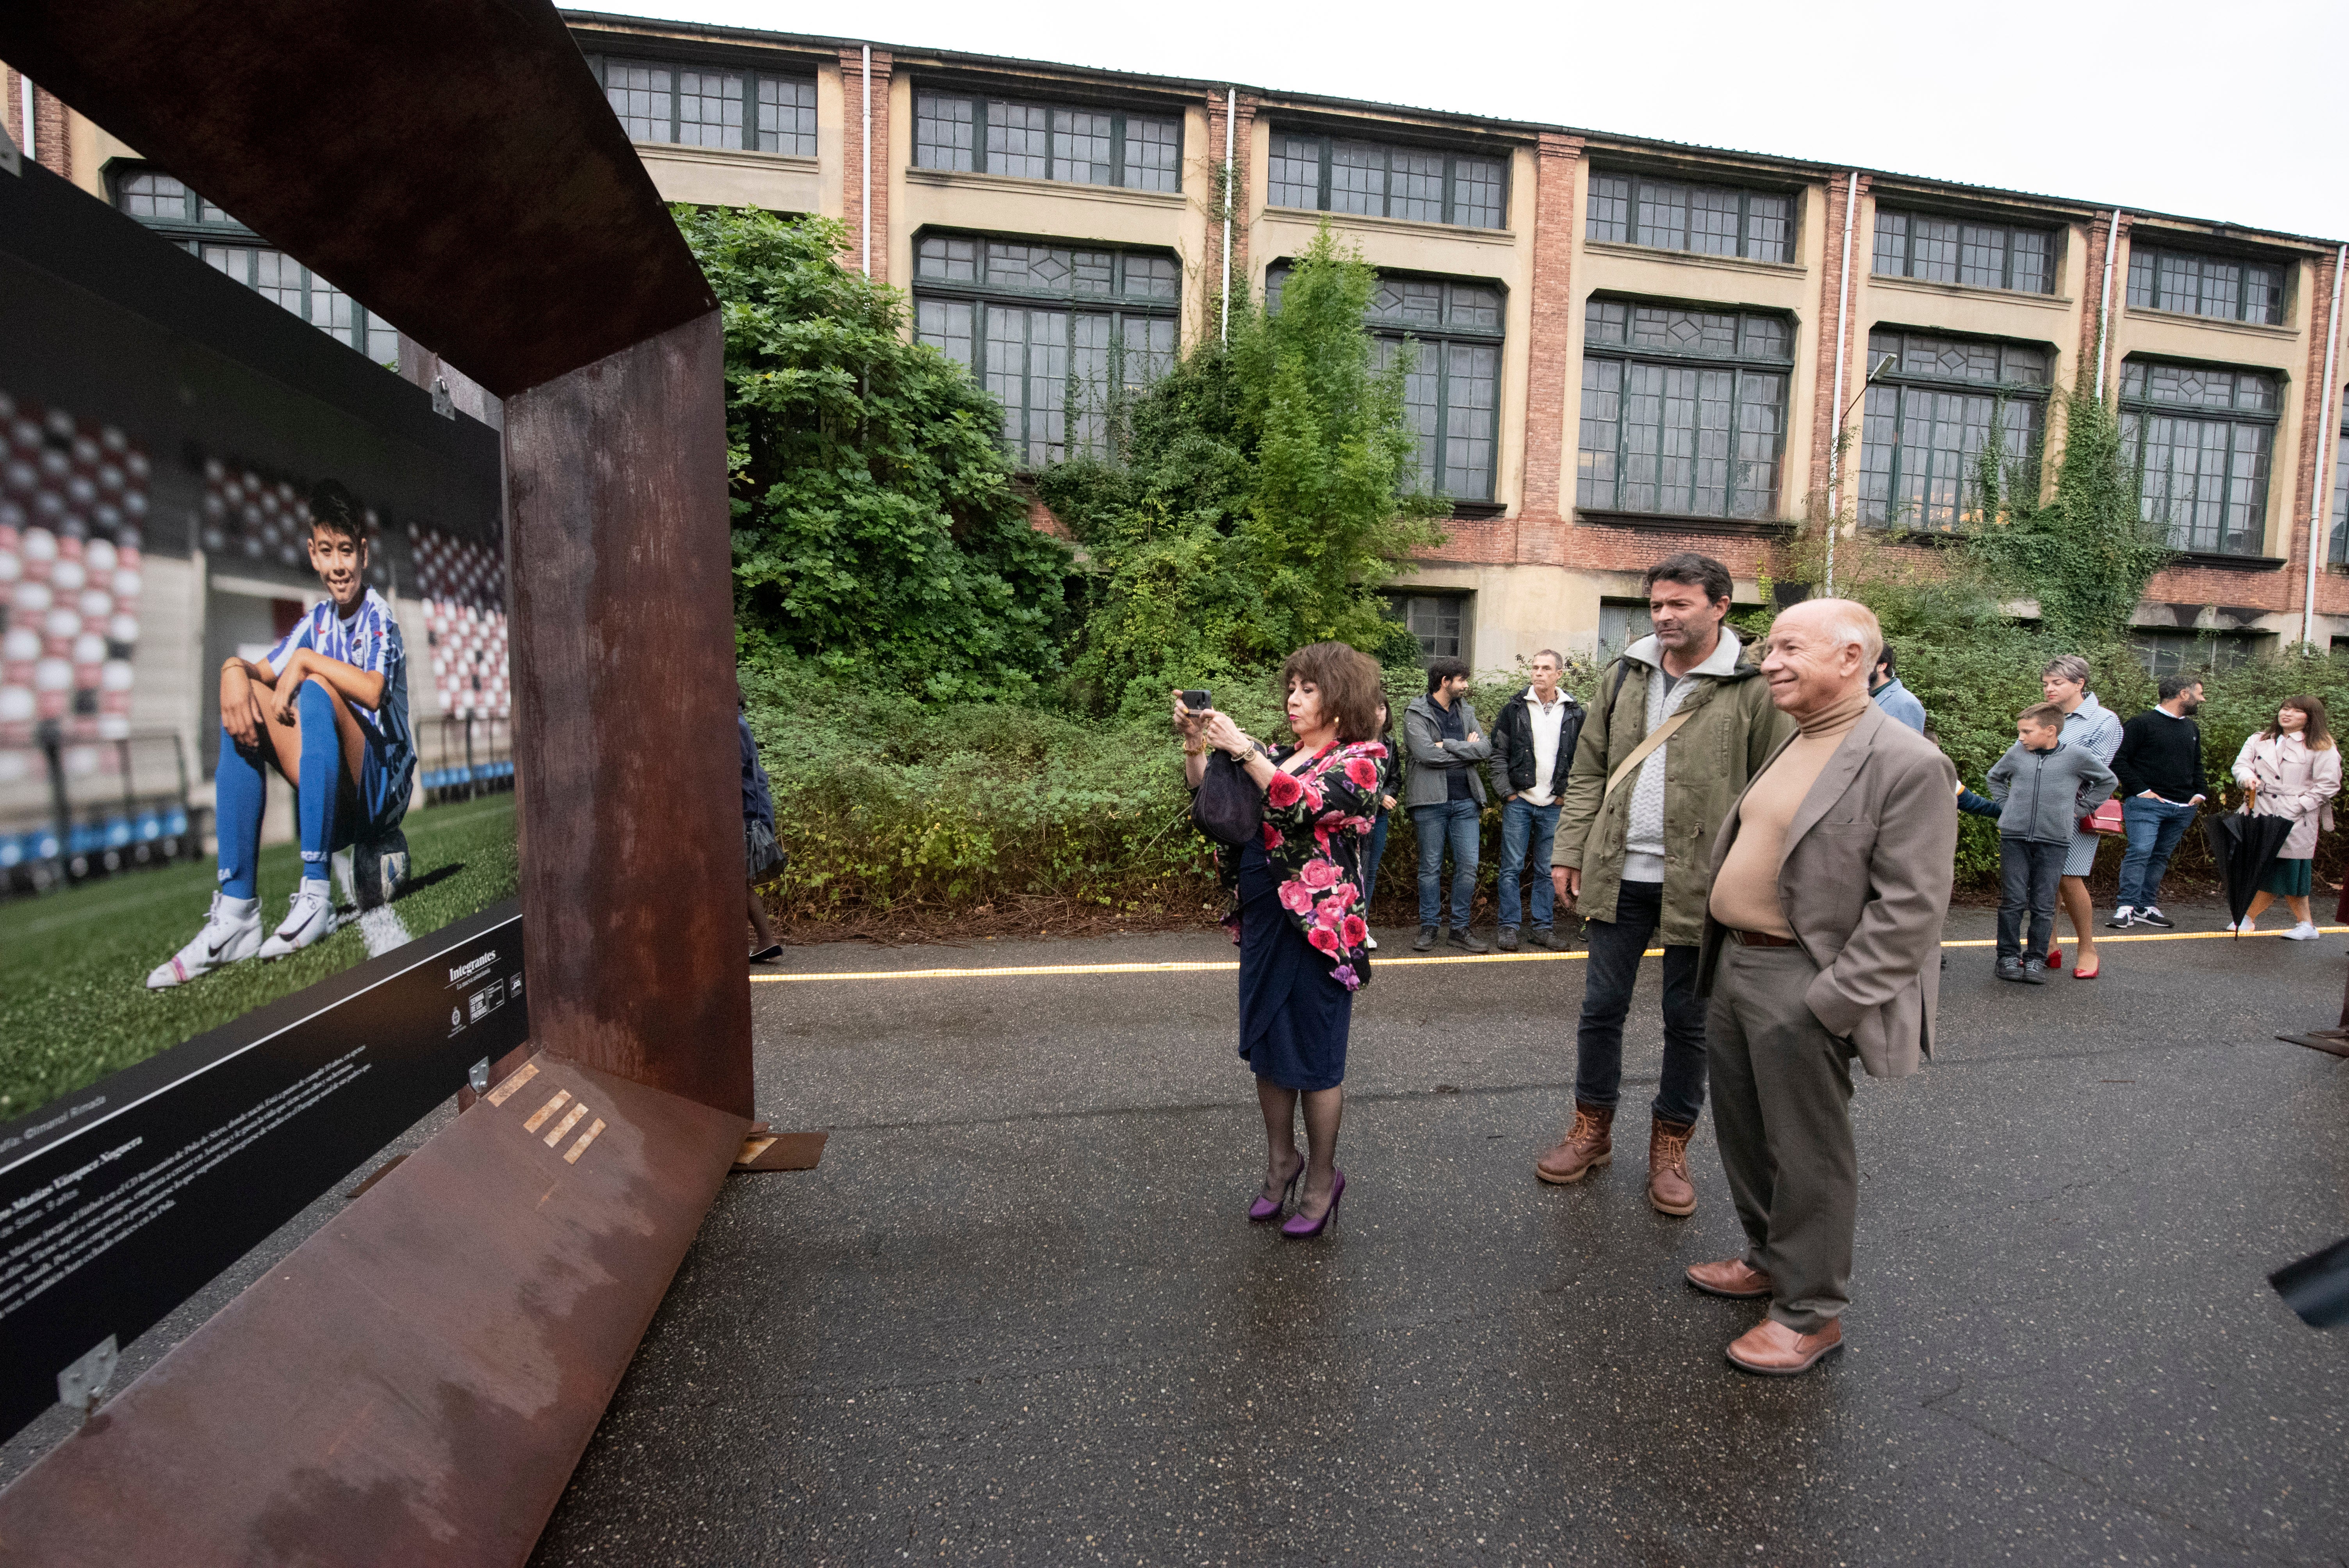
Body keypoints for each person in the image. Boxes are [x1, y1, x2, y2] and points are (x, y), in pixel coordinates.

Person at [1690, 598, 1955, 1375]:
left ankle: (1810, 1313)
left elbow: (1910, 909)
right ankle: (1770, 1258)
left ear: (1850, 657)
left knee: (1808, 1150)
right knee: (1744, 1132)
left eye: (1786, 648)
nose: (1766, 661)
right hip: (1733, 965)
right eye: (1766, 647)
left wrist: (1830, 1000)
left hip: (1801, 981)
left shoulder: (1906, 762)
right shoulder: (1796, 738)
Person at [1541, 552, 1793, 1216]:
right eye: (1657, 604)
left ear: (1719, 607)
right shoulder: (1626, 674)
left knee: (1689, 1023)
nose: (1664, 615)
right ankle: (1592, 1129)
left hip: (1706, 883)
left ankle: (1670, 1147)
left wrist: (1762, 883)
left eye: (1679, 604)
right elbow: (1590, 768)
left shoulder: (1755, 687)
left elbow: (1777, 788)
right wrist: (1569, 850)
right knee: (1601, 1009)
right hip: (1618, 870)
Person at [149, 481, 414, 988]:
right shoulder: (315, 620)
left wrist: (308, 661)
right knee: (243, 697)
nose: (339, 566)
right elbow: (261, 671)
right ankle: (237, 913)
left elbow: (374, 692)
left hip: (383, 784)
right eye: (328, 552)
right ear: (314, 555)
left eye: (348, 552)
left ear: (363, 553)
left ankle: (315, 893)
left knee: (314, 686)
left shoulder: (377, 614)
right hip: (340, 793)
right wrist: (231, 669)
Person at [1176, 645, 1385, 1239]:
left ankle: (1321, 1179)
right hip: (1266, 922)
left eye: (1309, 689)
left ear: (1339, 699)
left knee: (1316, 1060)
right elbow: (1213, 809)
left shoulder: (1363, 760)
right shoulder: (1279, 755)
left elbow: (1306, 806)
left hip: (1319, 934)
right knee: (1268, 1046)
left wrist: (1242, 750)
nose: (1293, 698)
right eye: (1291, 687)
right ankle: (1280, 1164)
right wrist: (1197, 746)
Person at [1986, 702, 2117, 984]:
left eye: (2026, 732)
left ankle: (2036, 959)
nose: (2020, 737)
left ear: (2050, 731)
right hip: (2015, 837)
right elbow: (1995, 777)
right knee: (2013, 900)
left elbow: (2108, 781)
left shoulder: (2077, 757)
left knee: (2044, 903)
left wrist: (2081, 810)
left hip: (2054, 839)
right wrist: (2006, 805)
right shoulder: (2017, 753)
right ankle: (2007, 956)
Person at [1487, 650, 1583, 952]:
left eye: (1546, 668)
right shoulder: (1514, 708)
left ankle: (1543, 928)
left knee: (1546, 869)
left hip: (1554, 803)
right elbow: (1498, 754)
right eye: (1535, 668)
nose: (1539, 673)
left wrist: (1566, 795)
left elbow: (1583, 759)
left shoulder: (1575, 712)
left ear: (1559, 675)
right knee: (1511, 868)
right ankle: (1509, 928)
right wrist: (1508, 793)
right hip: (1520, 800)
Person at [2228, 695, 2341, 940]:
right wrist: (2246, 778)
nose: (2286, 714)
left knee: (2288, 868)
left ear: (2310, 718)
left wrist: (2299, 806)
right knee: (2259, 865)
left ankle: (2250, 918)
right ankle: (2299, 923)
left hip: (2296, 815)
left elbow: (2329, 784)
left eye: (2296, 711)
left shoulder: (2321, 745)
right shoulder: (2260, 739)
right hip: (2260, 809)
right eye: (2284, 708)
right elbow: (2241, 765)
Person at [2038, 655, 2122, 978]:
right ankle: (2049, 945)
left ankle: (2088, 948)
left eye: (2057, 683)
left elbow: (2095, 768)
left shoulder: (2104, 720)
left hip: (2076, 809)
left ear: (2079, 684)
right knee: (2048, 878)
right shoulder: (2046, 715)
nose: (2049, 689)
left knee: (2070, 879)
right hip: (2042, 807)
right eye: (2046, 683)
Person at [1403, 656, 1491, 953]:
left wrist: (1450, 745)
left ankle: (1459, 929)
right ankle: (1429, 927)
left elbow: (1485, 748)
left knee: (1468, 866)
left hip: (1466, 800)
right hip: (1430, 801)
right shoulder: (1416, 712)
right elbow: (1426, 754)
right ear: (1445, 682)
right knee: (1430, 868)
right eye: (1462, 680)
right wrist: (1467, 748)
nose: (1466, 686)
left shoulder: (1466, 710)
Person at [2106, 676, 2208, 930]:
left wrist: (2201, 793)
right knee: (2140, 852)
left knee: (2160, 856)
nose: (2203, 699)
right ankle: (2127, 907)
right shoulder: (2141, 724)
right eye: (2200, 694)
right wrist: (2142, 791)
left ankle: (2145, 906)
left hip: (2183, 807)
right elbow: (2118, 760)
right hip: (2146, 805)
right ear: (2184, 694)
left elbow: (2196, 764)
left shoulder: (2191, 729)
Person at [1355, 699, 1401, 951]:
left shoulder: (1390, 743)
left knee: (1370, 871)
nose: (1378, 712)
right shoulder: (1352, 740)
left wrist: (1386, 794)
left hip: (1379, 816)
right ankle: (1347, 924)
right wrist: (1378, 794)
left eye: (1382, 708)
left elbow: (1395, 779)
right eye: (1373, 707)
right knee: (1351, 869)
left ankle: (1362, 925)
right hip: (1354, 815)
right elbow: (1350, 778)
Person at [741, 697, 784, 963]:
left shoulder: (733, 726)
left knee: (734, 880)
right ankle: (766, 940)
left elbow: (733, 773)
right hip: (751, 808)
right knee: (737, 881)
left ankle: (766, 940)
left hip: (747, 811)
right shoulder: (737, 723)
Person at [1868, 642, 1925, 732]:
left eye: (1865, 663)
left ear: (1882, 666)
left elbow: (1909, 745)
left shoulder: (1907, 703)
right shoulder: (1863, 697)